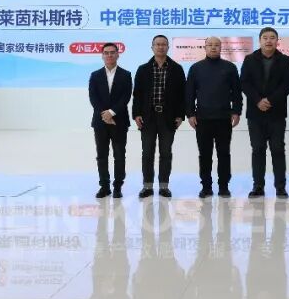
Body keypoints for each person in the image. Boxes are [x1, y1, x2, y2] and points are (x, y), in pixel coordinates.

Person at [239, 27, 289, 199]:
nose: (269, 40)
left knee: (278, 149)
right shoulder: (249, 59)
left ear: (277, 41)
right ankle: (258, 186)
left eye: (272, 37)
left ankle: (280, 187)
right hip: (255, 113)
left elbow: (287, 85)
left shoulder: (285, 60)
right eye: (265, 37)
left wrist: (269, 100)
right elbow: (244, 82)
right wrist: (258, 100)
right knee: (258, 149)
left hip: (276, 112)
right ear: (260, 40)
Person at [185, 37, 242, 198]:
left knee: (224, 153)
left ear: (221, 47)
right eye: (210, 45)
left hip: (224, 118)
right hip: (202, 118)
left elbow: (236, 92)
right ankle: (206, 187)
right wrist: (190, 114)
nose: (213, 47)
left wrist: (236, 111)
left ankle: (224, 186)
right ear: (205, 47)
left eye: (216, 45)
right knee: (204, 154)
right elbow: (189, 93)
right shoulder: (196, 68)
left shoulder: (230, 67)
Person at [132, 35, 186, 199]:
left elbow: (182, 95)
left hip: (168, 118)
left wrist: (180, 115)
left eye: (163, 44)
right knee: (147, 153)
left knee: (166, 153)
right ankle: (147, 187)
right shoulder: (143, 69)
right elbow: (137, 94)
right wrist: (136, 114)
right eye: (157, 44)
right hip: (147, 117)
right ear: (152, 47)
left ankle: (164, 187)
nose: (160, 47)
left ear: (168, 47)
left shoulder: (177, 69)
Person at [88, 42, 133, 199]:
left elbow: (126, 97)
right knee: (102, 155)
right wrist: (105, 115)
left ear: (117, 55)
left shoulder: (126, 75)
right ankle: (104, 186)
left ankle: (118, 187)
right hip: (100, 122)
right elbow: (93, 97)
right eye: (106, 53)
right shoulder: (95, 75)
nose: (109, 55)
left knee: (119, 155)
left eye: (112, 52)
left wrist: (112, 113)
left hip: (119, 121)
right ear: (102, 56)